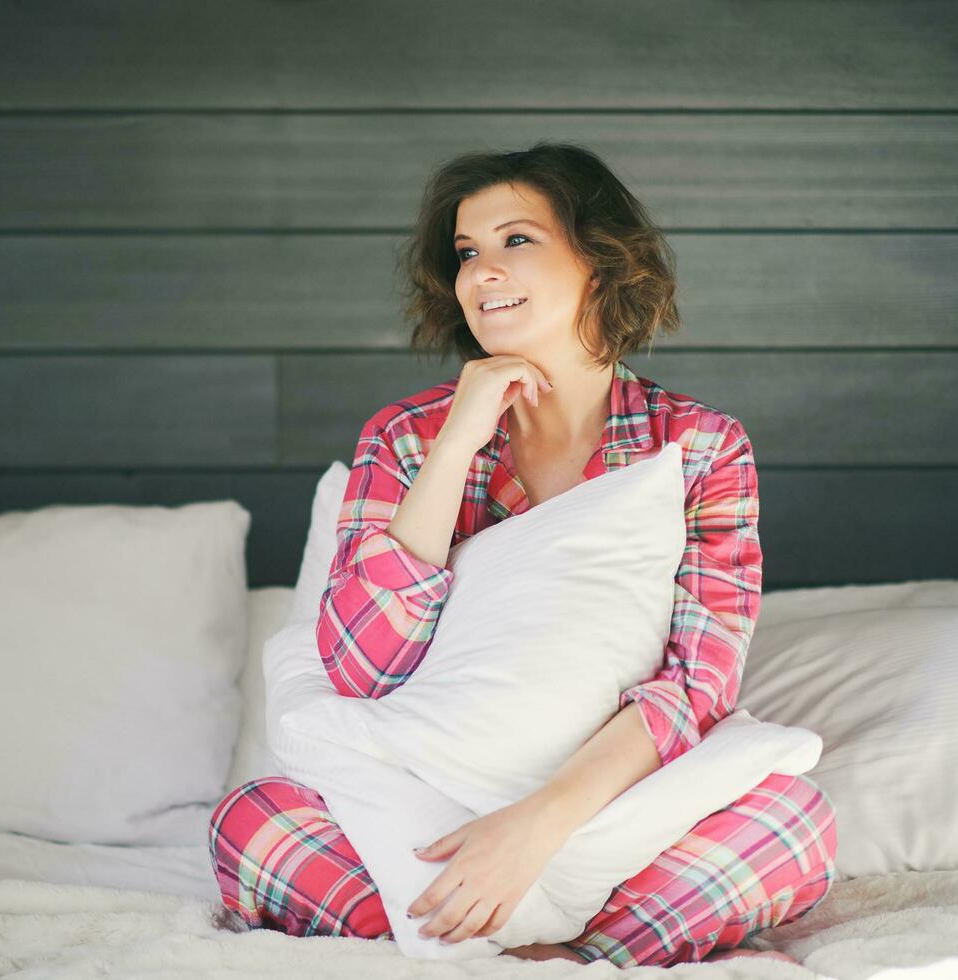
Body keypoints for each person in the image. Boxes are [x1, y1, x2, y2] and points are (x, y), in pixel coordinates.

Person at [208, 142, 836, 968]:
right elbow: (361, 668)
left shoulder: (698, 445)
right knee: (252, 823)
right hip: (425, 801)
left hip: (604, 806)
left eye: (515, 241)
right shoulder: (405, 437)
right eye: (466, 252)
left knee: (793, 824)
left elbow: (696, 683)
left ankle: (539, 956)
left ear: (601, 263)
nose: (480, 272)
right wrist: (455, 444)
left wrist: (537, 825)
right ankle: (542, 951)